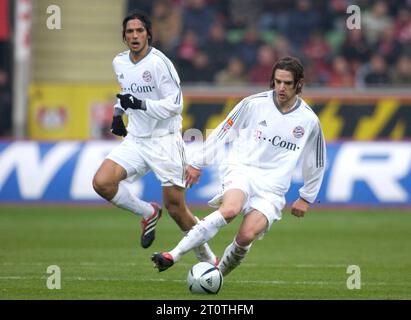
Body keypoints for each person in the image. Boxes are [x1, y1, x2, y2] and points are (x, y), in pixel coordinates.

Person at [151, 56, 326, 277]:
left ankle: (216, 276)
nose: (281, 87)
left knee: (245, 237)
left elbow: (316, 160)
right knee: (231, 209)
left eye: (287, 83)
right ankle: (173, 255)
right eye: (278, 81)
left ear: (299, 84)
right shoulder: (253, 103)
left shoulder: (309, 120)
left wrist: (306, 197)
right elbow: (224, 130)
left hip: (273, 187)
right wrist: (197, 162)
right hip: (243, 168)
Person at [92, 10, 217, 265]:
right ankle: (148, 212)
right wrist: (118, 114)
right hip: (137, 139)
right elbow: (126, 91)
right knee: (102, 182)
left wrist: (138, 104)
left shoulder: (160, 64)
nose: (135, 35)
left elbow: (175, 105)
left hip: (165, 141)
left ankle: (209, 261)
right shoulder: (120, 62)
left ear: (149, 34)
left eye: (139, 31)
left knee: (176, 209)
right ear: (124, 37)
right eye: (130, 32)